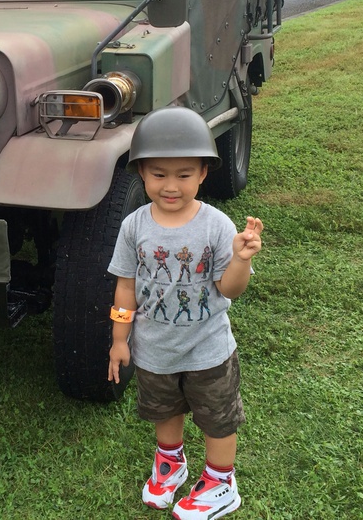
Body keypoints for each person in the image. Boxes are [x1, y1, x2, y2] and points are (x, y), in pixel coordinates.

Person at [107, 107, 263, 520]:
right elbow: (125, 285)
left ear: (203, 173)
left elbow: (229, 289)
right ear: (141, 172)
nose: (171, 186)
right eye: (159, 174)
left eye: (183, 174)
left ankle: (220, 483)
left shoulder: (214, 225)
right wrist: (119, 341)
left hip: (207, 350)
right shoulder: (134, 226)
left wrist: (241, 260)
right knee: (164, 410)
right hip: (154, 349)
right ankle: (170, 463)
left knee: (217, 419)